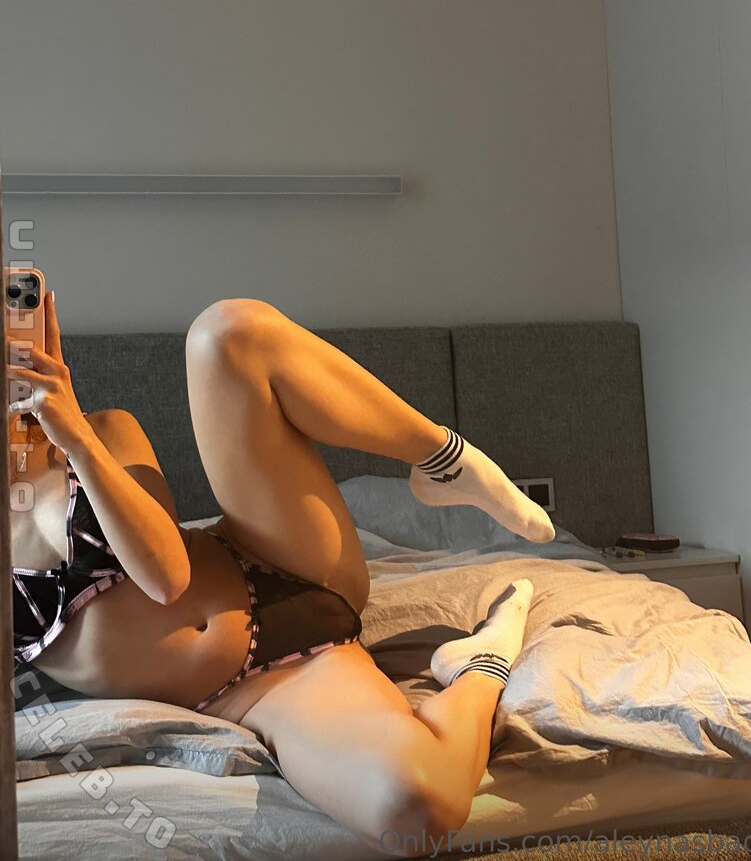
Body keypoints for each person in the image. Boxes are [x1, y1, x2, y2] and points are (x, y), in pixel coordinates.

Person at [9, 293, 554, 851]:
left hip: (281, 555)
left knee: (229, 332)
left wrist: (75, 438)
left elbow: (167, 574)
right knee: (417, 813)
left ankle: (442, 459)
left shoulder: (102, 430)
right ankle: (483, 664)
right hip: (257, 688)